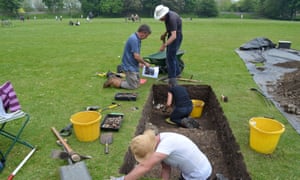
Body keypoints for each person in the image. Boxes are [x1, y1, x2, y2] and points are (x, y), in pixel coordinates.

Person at [110, 129, 212, 180]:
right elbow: (165, 168)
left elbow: (145, 167)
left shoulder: (166, 145)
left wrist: (123, 179)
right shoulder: (159, 141)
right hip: (188, 173)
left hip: (199, 174)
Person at [103, 24, 151, 89]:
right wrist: (145, 63)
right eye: (146, 35)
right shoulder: (134, 39)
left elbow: (134, 55)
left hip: (133, 65)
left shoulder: (137, 38)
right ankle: (112, 80)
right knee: (133, 86)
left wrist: (139, 63)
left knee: (137, 84)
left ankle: (116, 79)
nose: (146, 38)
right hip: (129, 67)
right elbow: (136, 56)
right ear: (143, 33)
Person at [154, 4, 183, 84]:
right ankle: (177, 73)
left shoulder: (171, 18)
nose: (160, 19)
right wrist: (165, 34)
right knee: (171, 56)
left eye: (160, 17)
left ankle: (172, 78)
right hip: (172, 35)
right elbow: (171, 28)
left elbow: (174, 36)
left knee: (170, 58)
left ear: (164, 14)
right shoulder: (167, 16)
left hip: (176, 37)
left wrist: (164, 45)